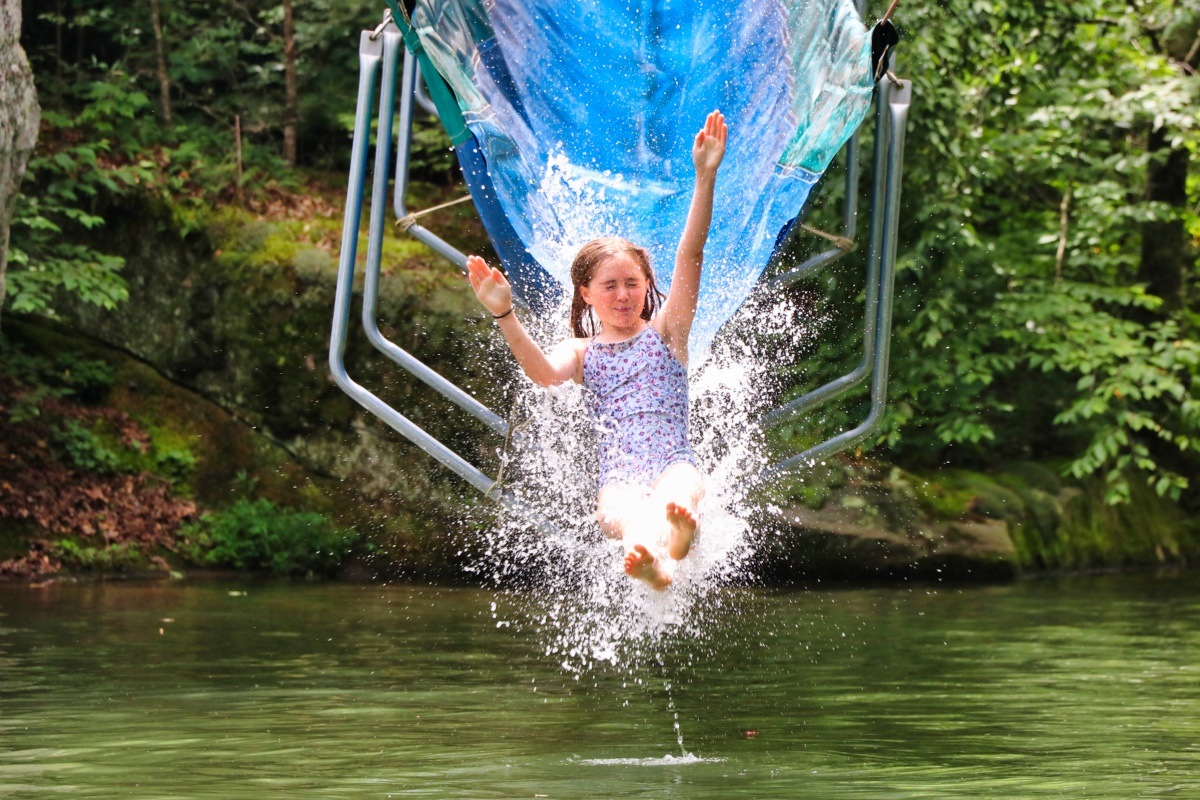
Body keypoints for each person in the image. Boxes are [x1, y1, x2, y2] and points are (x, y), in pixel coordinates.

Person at [466, 110, 728, 590]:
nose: (624, 295)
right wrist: (505, 314)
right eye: (610, 286)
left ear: (649, 284)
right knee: (617, 513)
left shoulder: (668, 332)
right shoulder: (583, 353)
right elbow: (544, 374)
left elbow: (691, 254)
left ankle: (679, 537)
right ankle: (651, 564)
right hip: (621, 474)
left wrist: (705, 177)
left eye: (633, 283)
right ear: (586, 293)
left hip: (673, 459)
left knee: (681, 492)